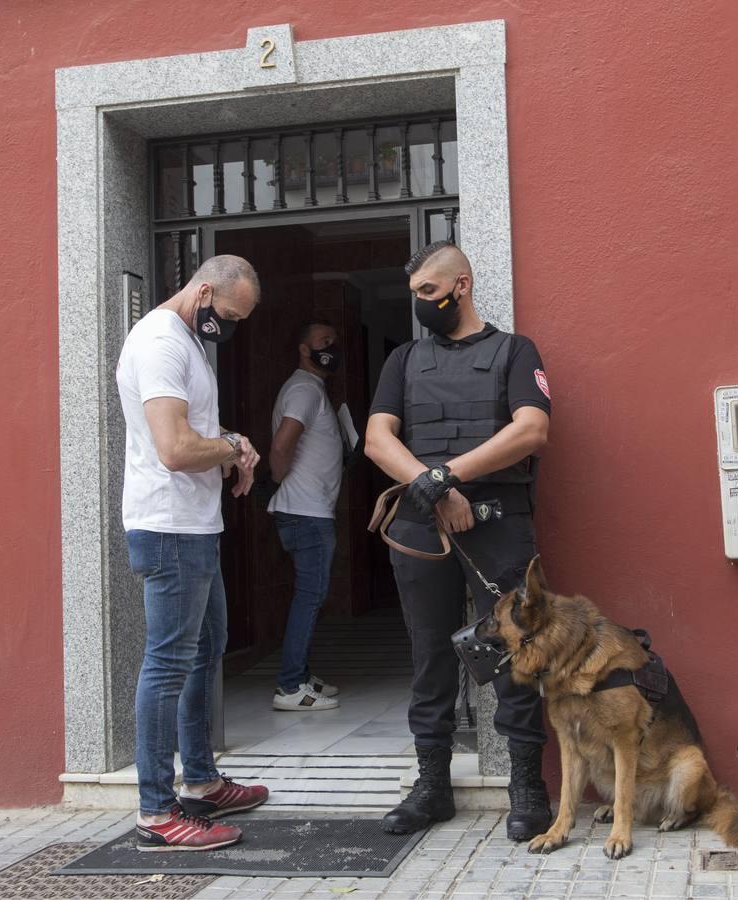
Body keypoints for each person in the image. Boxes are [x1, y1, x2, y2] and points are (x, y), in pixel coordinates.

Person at [365, 241, 554, 840]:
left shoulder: (514, 351)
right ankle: (432, 787)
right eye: (415, 293)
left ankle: (527, 787)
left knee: (513, 652)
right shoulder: (403, 361)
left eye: (429, 292)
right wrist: (430, 486)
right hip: (424, 527)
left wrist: (453, 475)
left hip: (497, 525)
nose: (421, 303)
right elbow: (376, 438)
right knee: (430, 654)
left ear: (461, 286)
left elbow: (532, 428)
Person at [115, 255, 270, 852]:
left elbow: (194, 428)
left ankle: (201, 781)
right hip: (170, 527)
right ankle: (157, 812)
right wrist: (228, 444)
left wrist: (232, 445)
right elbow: (176, 449)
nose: (230, 327)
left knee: (206, 650)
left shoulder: (187, 340)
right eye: (229, 315)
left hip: (195, 526)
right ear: (205, 292)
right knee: (168, 664)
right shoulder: (159, 342)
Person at [267, 321, 346, 711]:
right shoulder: (303, 389)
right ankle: (290, 686)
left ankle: (300, 674)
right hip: (305, 512)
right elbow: (283, 443)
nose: (331, 347)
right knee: (309, 598)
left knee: (310, 597)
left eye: (334, 341)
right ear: (303, 348)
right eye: (323, 341)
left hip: (308, 511)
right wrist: (278, 478)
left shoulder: (311, 389)